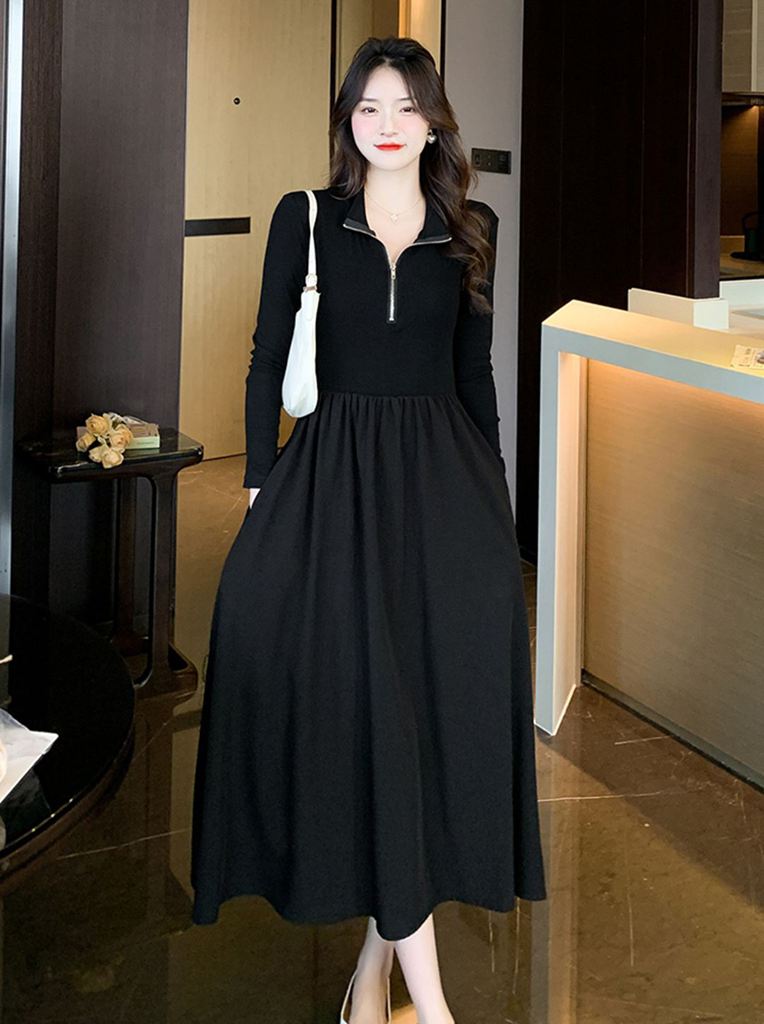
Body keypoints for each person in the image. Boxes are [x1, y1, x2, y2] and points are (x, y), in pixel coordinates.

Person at [191, 34, 546, 1024]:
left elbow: (473, 374)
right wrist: (260, 489)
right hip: (331, 478)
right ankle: (428, 1007)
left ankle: (369, 983)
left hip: (442, 488)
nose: (387, 125)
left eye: (406, 106)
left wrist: (496, 503)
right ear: (347, 121)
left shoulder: (472, 227)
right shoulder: (304, 218)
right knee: (377, 720)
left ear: (433, 121)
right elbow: (266, 356)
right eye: (368, 108)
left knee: (421, 723)